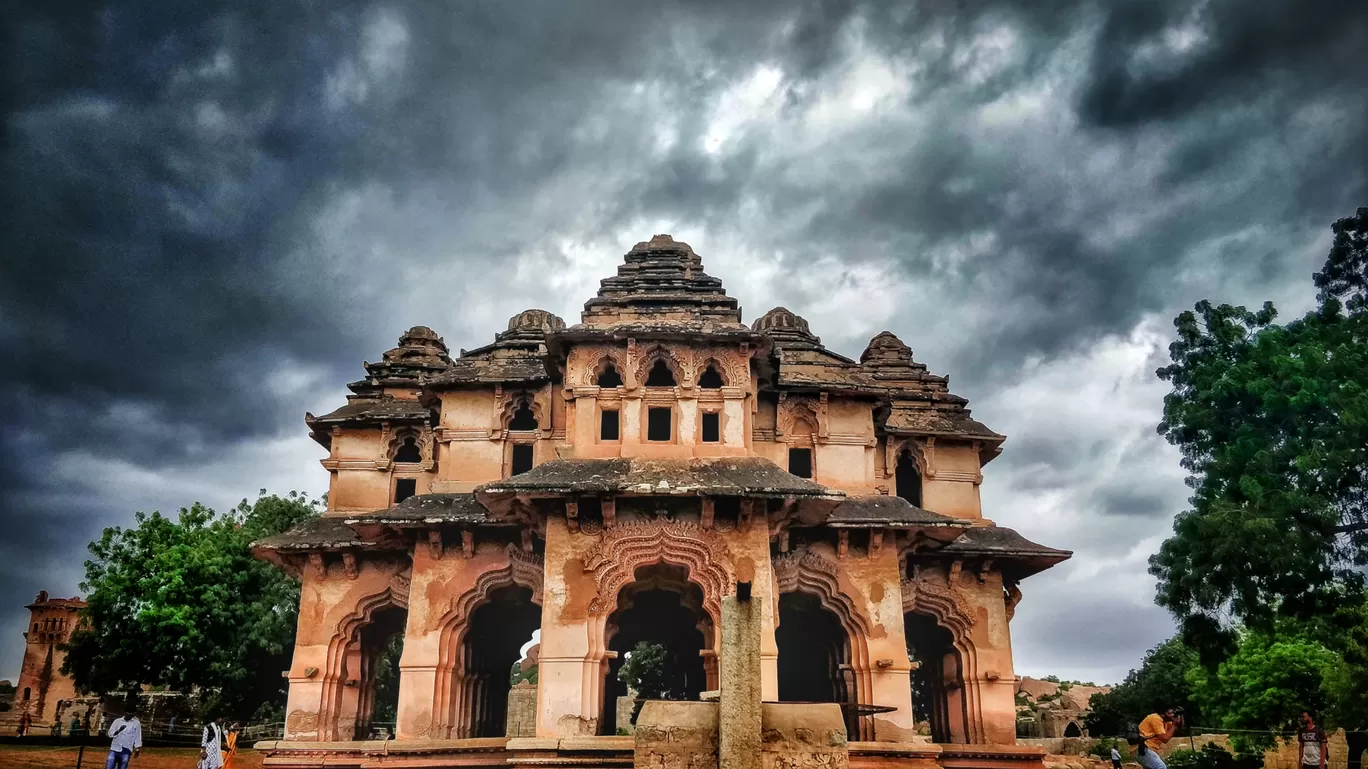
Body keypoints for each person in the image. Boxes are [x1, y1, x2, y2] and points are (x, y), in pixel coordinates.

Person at [105, 703, 143, 769]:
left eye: (132, 713)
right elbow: (110, 733)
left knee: (123, 766)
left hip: (126, 749)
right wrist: (118, 731)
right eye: (128, 713)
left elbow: (137, 736)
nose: (130, 715)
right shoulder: (117, 721)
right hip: (115, 748)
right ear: (125, 712)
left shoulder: (136, 723)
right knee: (109, 766)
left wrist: (137, 748)